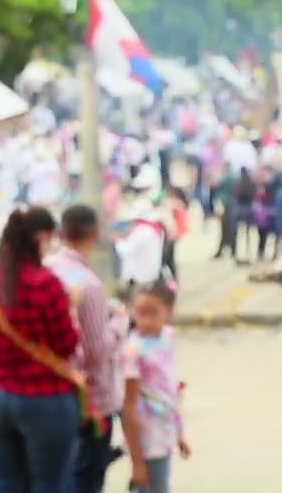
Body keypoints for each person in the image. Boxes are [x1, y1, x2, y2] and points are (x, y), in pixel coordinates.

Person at [0, 207, 83, 493]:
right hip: (45, 399)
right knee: (50, 484)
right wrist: (72, 306)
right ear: (40, 240)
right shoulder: (47, 284)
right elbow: (65, 345)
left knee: (3, 482)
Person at [47, 205, 127, 493]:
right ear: (95, 233)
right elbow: (96, 350)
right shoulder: (89, 286)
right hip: (91, 398)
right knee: (86, 476)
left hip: (51, 390)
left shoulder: (47, 271)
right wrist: (119, 325)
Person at [122, 279, 189, 493]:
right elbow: (128, 408)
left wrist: (180, 433)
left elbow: (170, 391)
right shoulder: (133, 350)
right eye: (141, 313)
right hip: (146, 438)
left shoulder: (167, 337)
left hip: (164, 430)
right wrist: (137, 462)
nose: (146, 321)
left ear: (169, 311)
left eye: (153, 313)